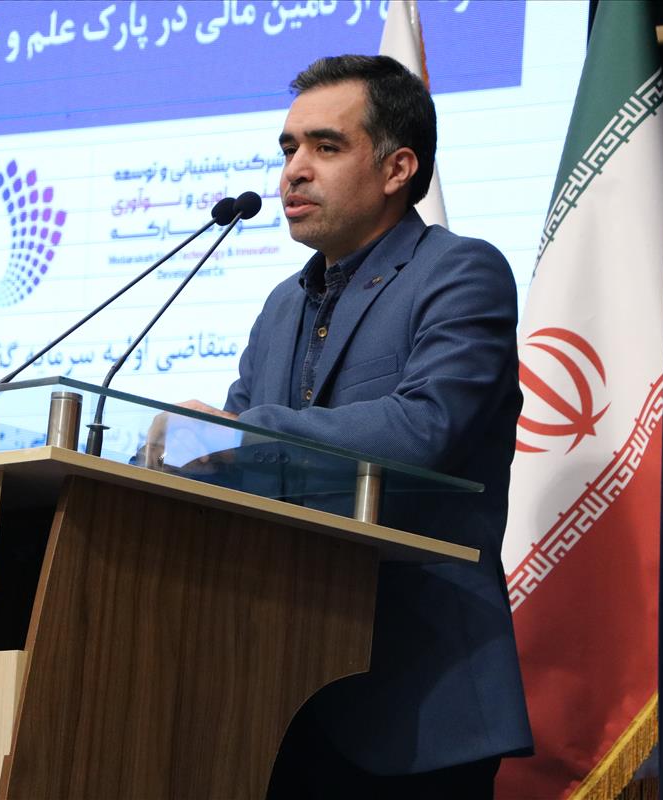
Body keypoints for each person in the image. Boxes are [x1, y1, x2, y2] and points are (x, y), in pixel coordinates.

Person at [174, 56, 532, 797]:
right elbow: (236, 468)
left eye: (325, 147)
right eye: (288, 149)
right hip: (271, 697)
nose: (294, 171)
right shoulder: (281, 306)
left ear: (398, 168)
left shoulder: (461, 274)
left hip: (418, 705)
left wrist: (239, 441)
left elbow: (426, 428)